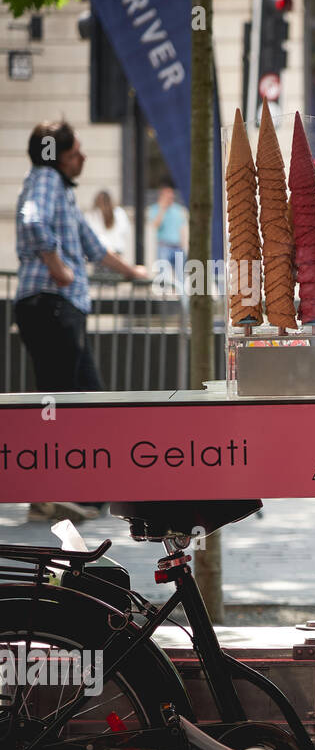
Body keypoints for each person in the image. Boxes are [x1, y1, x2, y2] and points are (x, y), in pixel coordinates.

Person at [16, 120, 149, 523]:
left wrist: (133, 272)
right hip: (52, 303)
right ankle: (59, 494)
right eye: (75, 152)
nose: (84, 157)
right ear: (57, 156)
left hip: (59, 307)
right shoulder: (44, 179)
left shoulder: (63, 195)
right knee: (67, 402)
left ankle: (80, 496)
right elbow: (31, 220)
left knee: (84, 397)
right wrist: (58, 267)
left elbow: (93, 246)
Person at [147, 176, 187, 290]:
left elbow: (182, 229)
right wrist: (162, 208)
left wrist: (184, 247)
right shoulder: (155, 209)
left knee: (181, 279)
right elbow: (156, 225)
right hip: (164, 247)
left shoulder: (178, 210)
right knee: (163, 278)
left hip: (178, 248)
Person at [84, 189, 131, 258]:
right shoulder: (119, 212)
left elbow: (91, 235)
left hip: (101, 254)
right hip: (116, 252)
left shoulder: (91, 215)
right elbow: (126, 231)